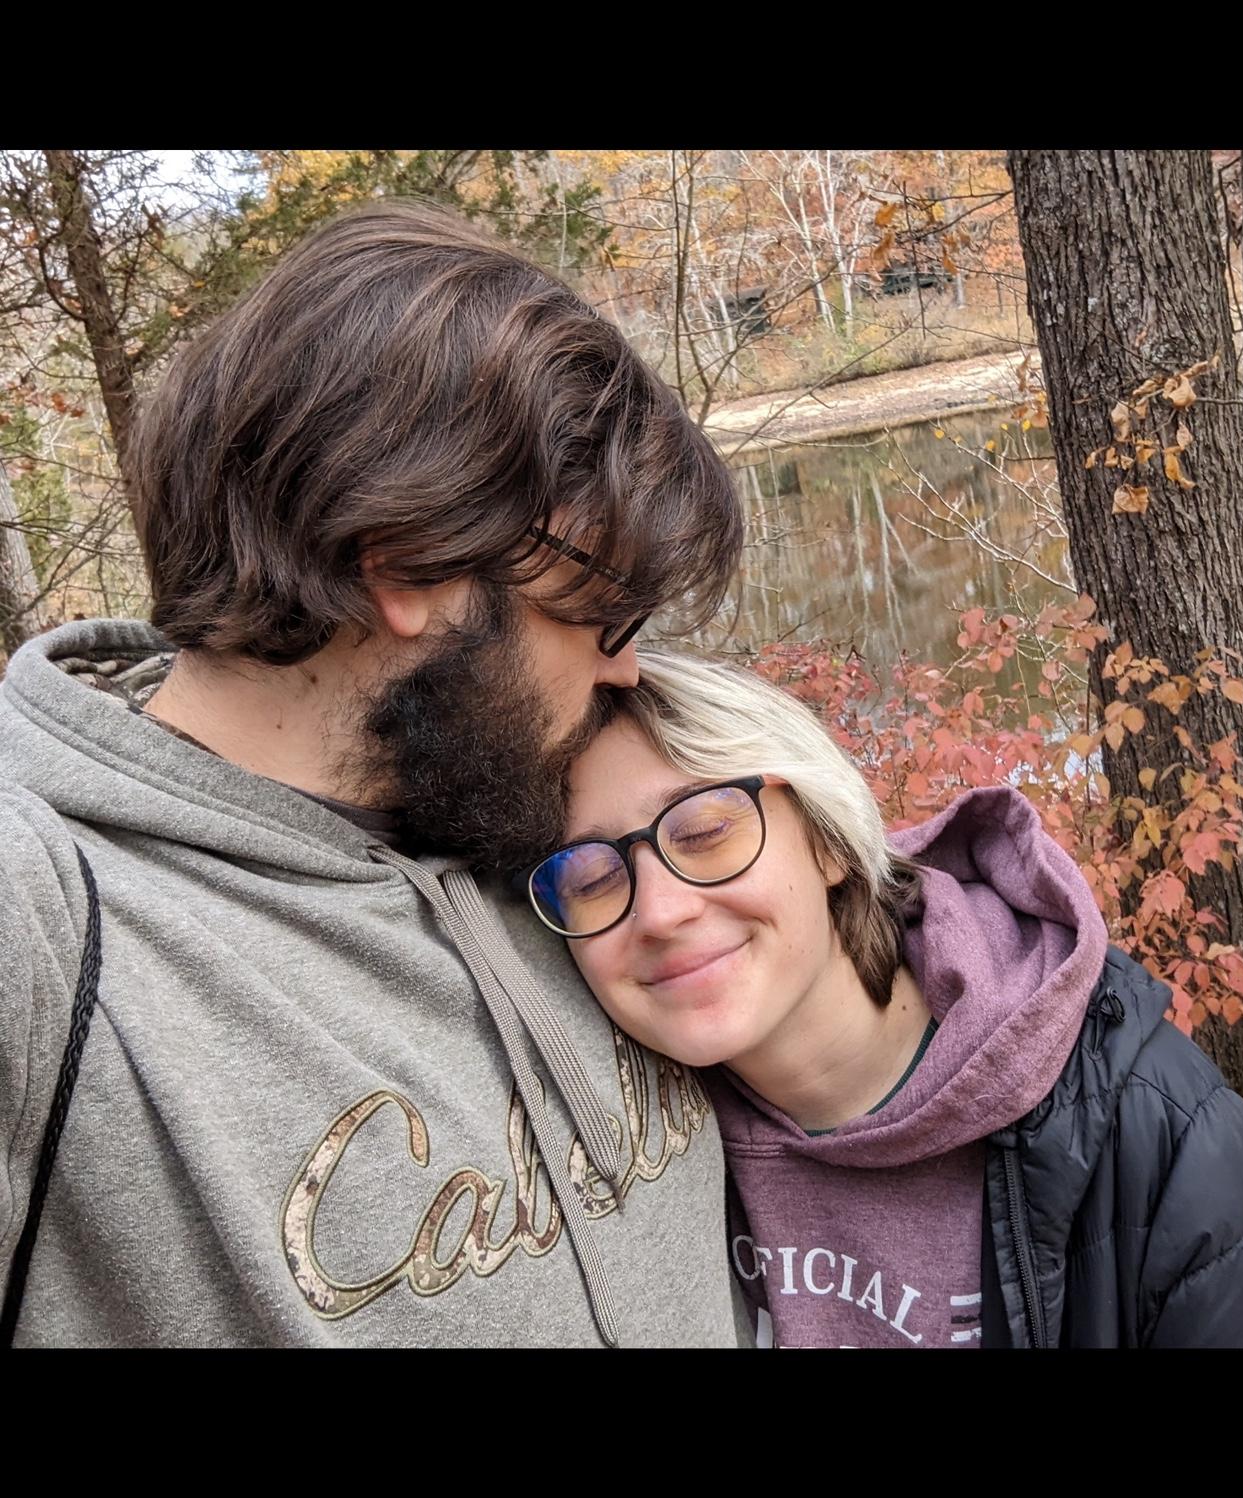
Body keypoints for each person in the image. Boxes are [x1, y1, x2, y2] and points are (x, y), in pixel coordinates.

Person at [0, 202, 749, 1348]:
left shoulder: (529, 805)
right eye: (606, 613)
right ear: (409, 564)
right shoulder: (45, 909)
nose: (631, 665)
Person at [526, 650, 1243, 1348]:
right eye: (588, 877)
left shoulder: (1148, 1127)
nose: (662, 911)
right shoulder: (602, 1144)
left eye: (705, 831)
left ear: (827, 842)